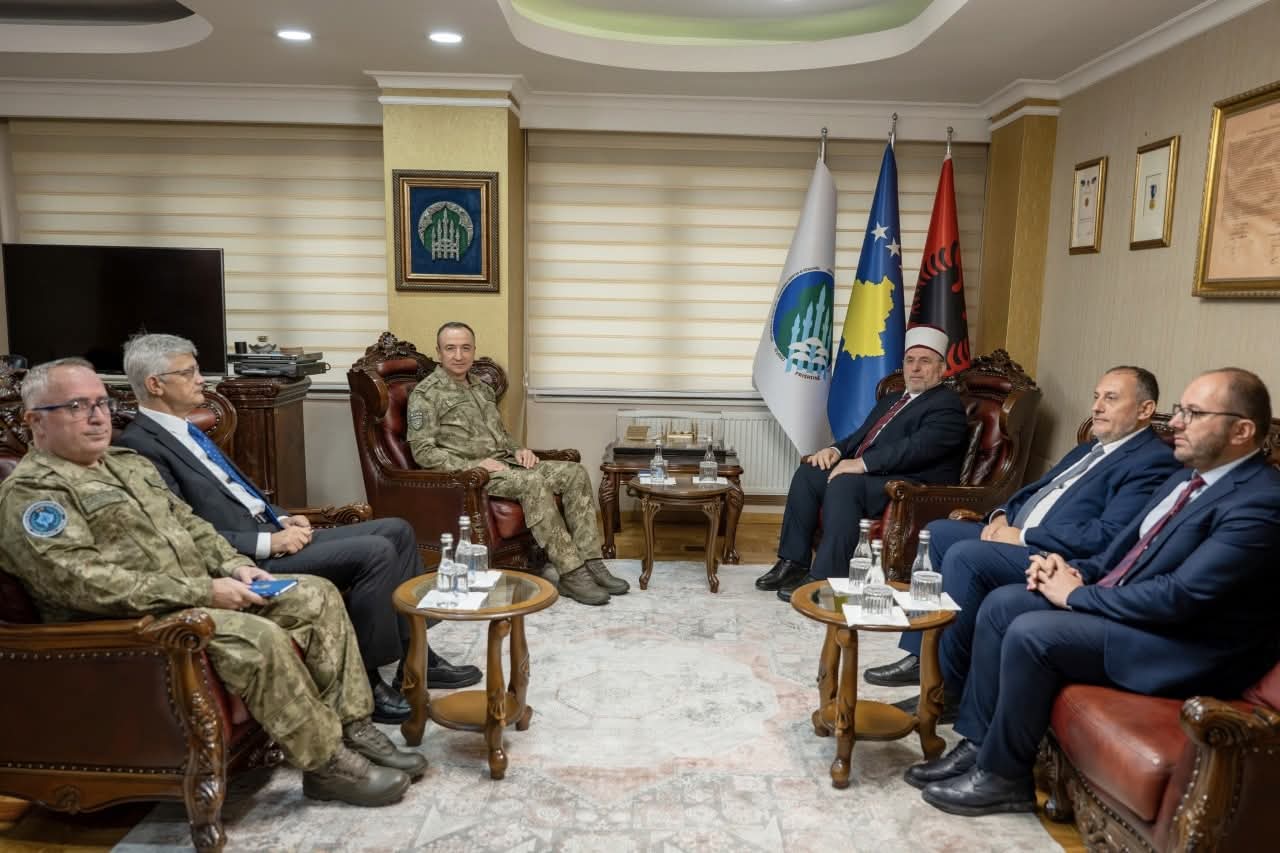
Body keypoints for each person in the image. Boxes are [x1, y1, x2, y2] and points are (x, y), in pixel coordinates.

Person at [0, 358, 430, 806]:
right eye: (76, 406)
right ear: (36, 421)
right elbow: (83, 585)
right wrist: (206, 591)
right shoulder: (34, 494)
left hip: (195, 594)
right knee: (260, 637)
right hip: (135, 625)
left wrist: (235, 565)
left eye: (101, 403)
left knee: (316, 594)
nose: (97, 416)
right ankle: (327, 766)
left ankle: (352, 728)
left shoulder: (126, 464)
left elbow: (191, 525)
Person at [908, 368, 1280, 817]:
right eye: (1179, 410)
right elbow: (1123, 553)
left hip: (1183, 646)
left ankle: (1004, 777)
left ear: (1242, 431)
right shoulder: (1186, 478)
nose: (1176, 423)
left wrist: (1074, 596)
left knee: (1032, 633)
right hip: (1141, 614)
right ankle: (979, 745)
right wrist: (1068, 570)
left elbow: (1180, 597)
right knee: (1004, 604)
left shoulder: (1260, 502)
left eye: (1194, 414)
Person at [115, 334, 480, 725]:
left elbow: (237, 492)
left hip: (272, 531)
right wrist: (268, 541)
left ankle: (416, 657)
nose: (201, 379)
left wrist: (282, 517)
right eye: (189, 373)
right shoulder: (142, 448)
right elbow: (181, 532)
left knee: (397, 531)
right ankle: (365, 682)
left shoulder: (185, 429)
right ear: (155, 384)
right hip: (245, 561)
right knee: (377, 553)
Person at [865, 366, 1181, 705]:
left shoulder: (1153, 461)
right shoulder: (1090, 448)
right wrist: (1000, 516)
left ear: (1145, 409)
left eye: (1111, 398)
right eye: (1096, 396)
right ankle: (920, 655)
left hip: (1057, 558)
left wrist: (1024, 536)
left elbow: (1107, 535)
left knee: (966, 556)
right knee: (939, 533)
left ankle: (945, 690)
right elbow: (1034, 491)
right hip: (1017, 532)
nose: (1097, 406)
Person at [406, 321, 628, 606]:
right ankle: (571, 571)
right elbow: (423, 452)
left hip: (506, 464)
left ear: (474, 350)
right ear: (439, 352)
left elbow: (500, 435)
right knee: (532, 481)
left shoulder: (481, 388)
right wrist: (475, 465)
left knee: (574, 472)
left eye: (465, 348)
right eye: (451, 348)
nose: (459, 355)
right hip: (472, 475)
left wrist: (520, 450)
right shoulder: (425, 395)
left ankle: (591, 561)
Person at [756, 324, 968, 601]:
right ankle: (793, 562)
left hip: (911, 485)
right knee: (810, 472)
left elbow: (916, 449)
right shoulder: (893, 399)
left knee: (846, 483)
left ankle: (827, 579)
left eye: (925, 361)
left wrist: (861, 464)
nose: (915, 368)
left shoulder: (947, 404)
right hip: (877, 474)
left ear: (942, 369)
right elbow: (860, 436)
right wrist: (834, 450)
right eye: (910, 360)